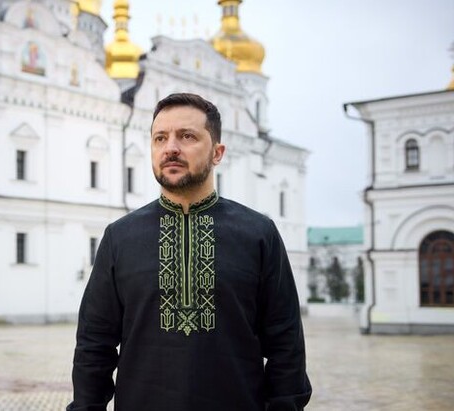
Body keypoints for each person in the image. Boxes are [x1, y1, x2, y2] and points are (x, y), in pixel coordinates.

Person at [67, 93, 312, 411]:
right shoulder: (120, 237)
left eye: (187, 136)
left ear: (217, 152)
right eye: (160, 138)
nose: (171, 147)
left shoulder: (258, 235)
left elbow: (286, 343)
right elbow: (94, 343)